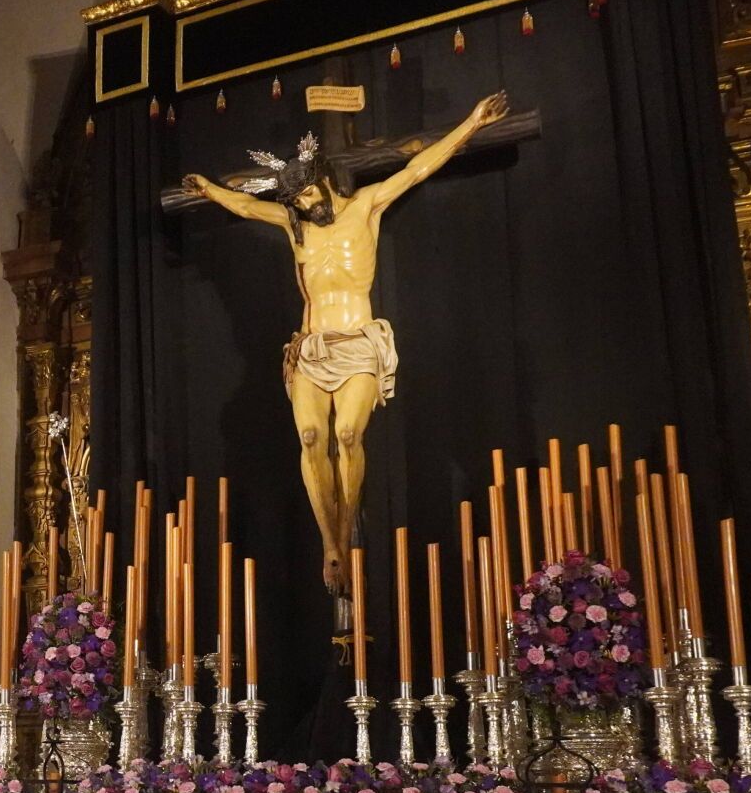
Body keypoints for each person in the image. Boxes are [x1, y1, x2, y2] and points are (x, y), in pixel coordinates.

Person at [182, 91, 509, 593]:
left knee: (349, 436)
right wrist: (207, 188)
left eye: (308, 196)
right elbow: (246, 206)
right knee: (312, 439)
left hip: (358, 341)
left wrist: (471, 122)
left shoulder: (365, 207)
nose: (304, 207)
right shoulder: (294, 225)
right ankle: (331, 545)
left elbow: (419, 168)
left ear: (324, 183)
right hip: (311, 349)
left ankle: (345, 529)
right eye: (295, 202)